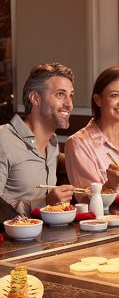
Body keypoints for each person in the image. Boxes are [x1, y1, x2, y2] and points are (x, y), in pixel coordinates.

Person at [0, 62, 75, 217]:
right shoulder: (3, 140)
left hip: (47, 237)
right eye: (60, 94)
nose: (69, 104)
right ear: (35, 98)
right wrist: (44, 203)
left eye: (71, 95)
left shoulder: (53, 144)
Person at [64, 67, 119, 195]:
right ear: (98, 100)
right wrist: (111, 184)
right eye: (115, 95)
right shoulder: (78, 144)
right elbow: (87, 201)